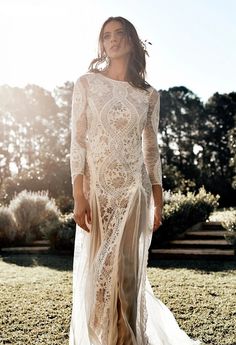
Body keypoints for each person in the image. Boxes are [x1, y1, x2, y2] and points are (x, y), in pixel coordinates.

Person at [69, 15, 202, 345]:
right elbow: (77, 139)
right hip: (98, 193)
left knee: (127, 280)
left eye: (119, 34)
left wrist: (158, 196)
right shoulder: (86, 83)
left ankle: (128, 340)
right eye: (106, 35)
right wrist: (78, 194)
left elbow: (151, 147)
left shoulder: (148, 95)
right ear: (101, 43)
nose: (112, 40)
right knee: (99, 282)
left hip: (133, 192)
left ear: (132, 40)